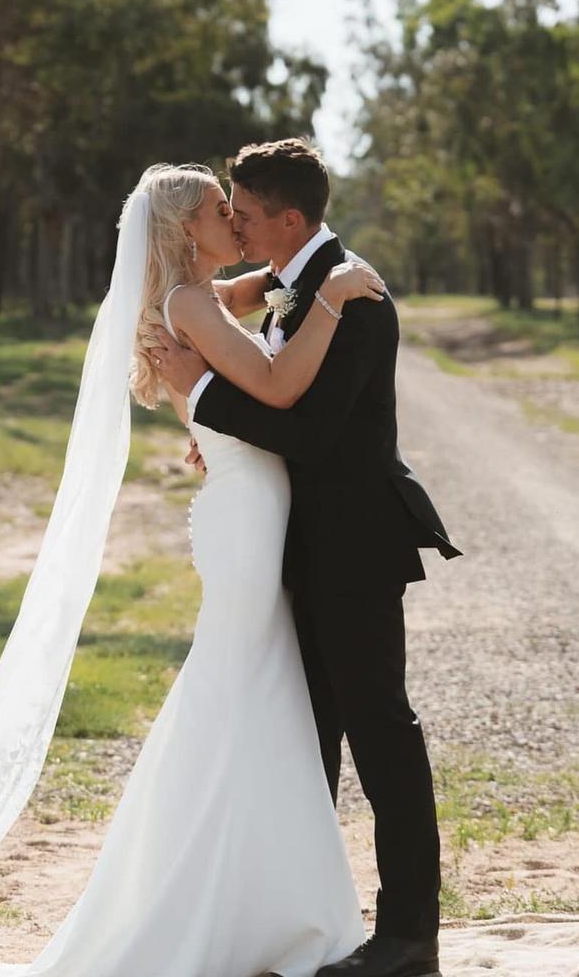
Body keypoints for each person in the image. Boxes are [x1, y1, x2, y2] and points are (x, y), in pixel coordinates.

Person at [0, 162, 389, 977]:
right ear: (185, 229)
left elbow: (253, 292)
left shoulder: (196, 299)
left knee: (251, 693)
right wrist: (330, 296)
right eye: (223, 211)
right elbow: (279, 389)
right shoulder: (183, 304)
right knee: (244, 687)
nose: (237, 222)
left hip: (249, 506)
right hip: (247, 517)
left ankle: (248, 889)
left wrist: (287, 291)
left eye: (241, 210)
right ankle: (223, 895)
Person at [153, 139, 462, 977]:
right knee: (309, 737)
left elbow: (311, 429)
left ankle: (408, 937)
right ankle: (308, 917)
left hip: (355, 547)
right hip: (300, 545)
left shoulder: (351, 296)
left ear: (289, 217)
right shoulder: (301, 288)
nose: (236, 224)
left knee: (381, 734)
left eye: (245, 214)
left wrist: (202, 398)